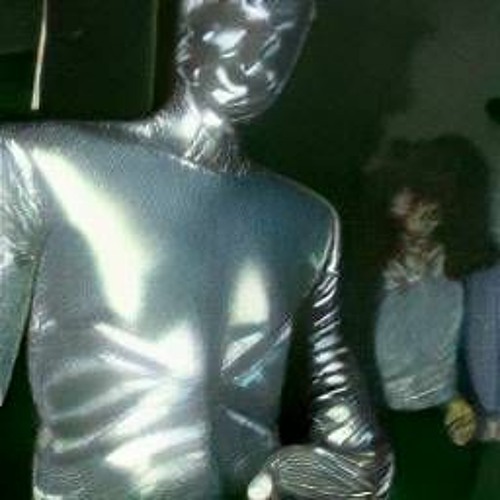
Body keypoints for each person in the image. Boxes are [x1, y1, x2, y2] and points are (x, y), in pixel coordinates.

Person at [0, 1, 392, 498]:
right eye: (240, 24)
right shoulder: (43, 163)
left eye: (284, 39)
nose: (260, 56)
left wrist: (290, 475)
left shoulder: (309, 222)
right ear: (192, 29)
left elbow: (354, 438)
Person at [366, 135, 497, 499]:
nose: (413, 204)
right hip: (376, 424)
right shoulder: (367, 267)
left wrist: (475, 418)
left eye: (432, 197)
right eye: (408, 191)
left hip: (441, 424)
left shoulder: (461, 272)